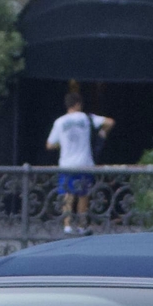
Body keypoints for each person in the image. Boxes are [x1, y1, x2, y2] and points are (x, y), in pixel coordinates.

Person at [45, 87, 113, 234]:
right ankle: (82, 225)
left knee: (67, 195)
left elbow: (49, 144)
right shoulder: (87, 118)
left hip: (66, 164)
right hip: (84, 163)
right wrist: (102, 134)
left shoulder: (60, 122)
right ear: (78, 104)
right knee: (83, 195)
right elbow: (109, 122)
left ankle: (67, 226)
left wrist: (62, 143)